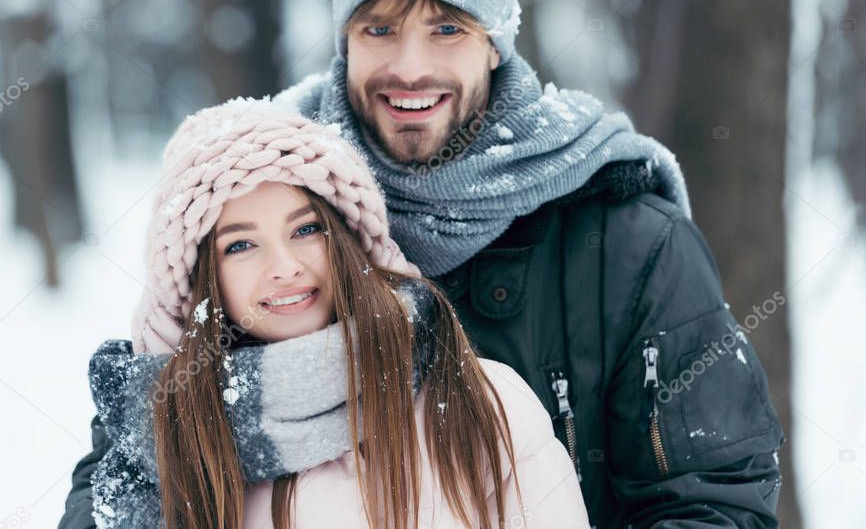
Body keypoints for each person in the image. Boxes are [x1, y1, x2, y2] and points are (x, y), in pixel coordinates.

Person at [62, 0, 785, 526]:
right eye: (378, 29)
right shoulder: (266, 192)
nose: (409, 67)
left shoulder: (626, 239)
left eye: (446, 28)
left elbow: (713, 497)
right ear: (343, 41)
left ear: (494, 45)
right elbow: (143, 427)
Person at [85, 99, 589, 528]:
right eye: (240, 245)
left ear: (348, 240)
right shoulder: (169, 450)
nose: (284, 267)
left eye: (306, 230)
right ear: (200, 282)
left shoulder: (480, 406)